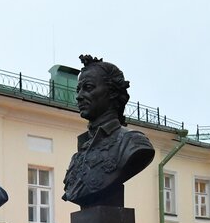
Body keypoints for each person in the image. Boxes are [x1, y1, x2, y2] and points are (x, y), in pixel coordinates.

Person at [62, 54, 154, 207]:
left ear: (112, 92)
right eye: (78, 90)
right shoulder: (79, 154)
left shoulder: (132, 143)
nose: (79, 96)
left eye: (88, 88)